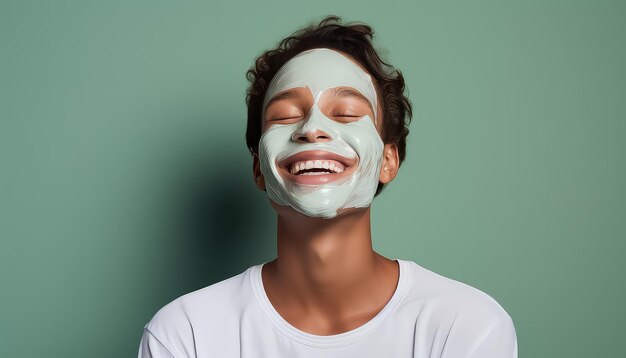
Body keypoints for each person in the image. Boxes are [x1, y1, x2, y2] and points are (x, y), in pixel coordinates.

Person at [137, 16, 518, 358]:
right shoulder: (185, 335)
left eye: (347, 114)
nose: (311, 128)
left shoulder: (465, 328)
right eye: (284, 116)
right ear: (258, 168)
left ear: (388, 160)